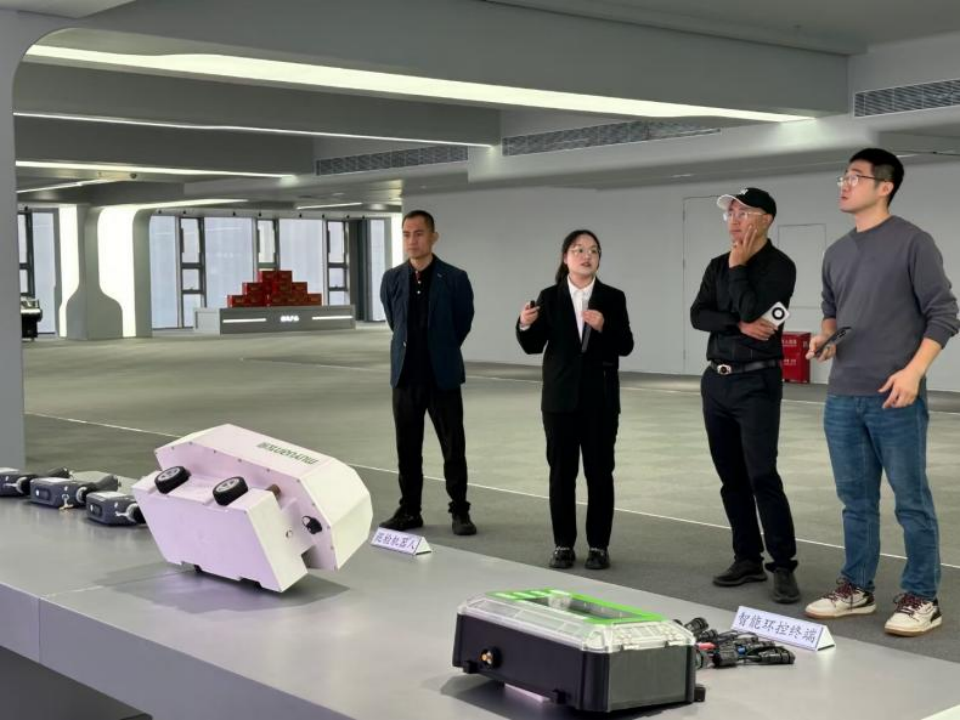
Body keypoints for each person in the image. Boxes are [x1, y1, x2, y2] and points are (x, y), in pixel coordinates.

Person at [804, 148, 959, 636]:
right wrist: (824, 339)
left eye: (855, 177)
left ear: (884, 186)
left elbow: (944, 314)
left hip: (895, 395)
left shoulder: (913, 242)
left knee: (911, 500)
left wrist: (913, 372)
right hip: (843, 395)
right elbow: (832, 310)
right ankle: (856, 587)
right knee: (855, 500)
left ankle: (922, 596)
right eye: (843, 177)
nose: (844, 184)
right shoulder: (837, 251)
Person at [690, 187, 800, 604]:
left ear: (766, 219)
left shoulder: (780, 267)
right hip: (717, 381)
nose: (734, 220)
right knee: (731, 477)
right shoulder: (716, 265)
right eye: (730, 214)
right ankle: (747, 557)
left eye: (743, 212)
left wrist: (738, 269)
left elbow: (759, 316)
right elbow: (698, 315)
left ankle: (783, 564)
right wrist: (736, 324)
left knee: (762, 474)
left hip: (757, 382)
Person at [516, 229, 633, 570]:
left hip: (601, 400)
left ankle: (598, 545)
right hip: (559, 400)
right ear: (565, 257)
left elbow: (626, 344)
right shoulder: (549, 297)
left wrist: (604, 326)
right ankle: (563, 544)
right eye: (579, 250)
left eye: (593, 250)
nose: (586, 256)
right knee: (561, 474)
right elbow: (533, 345)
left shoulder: (613, 297)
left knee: (600, 474)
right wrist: (524, 324)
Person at [379, 210, 477, 536]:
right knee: (407, 449)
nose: (412, 240)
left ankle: (460, 510)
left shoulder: (455, 278)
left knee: (453, 447)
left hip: (442, 377)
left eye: (419, 233)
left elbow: (462, 322)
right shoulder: (392, 279)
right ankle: (409, 510)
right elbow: (394, 321)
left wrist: (441, 349)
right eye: (406, 234)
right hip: (405, 378)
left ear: (433, 237)